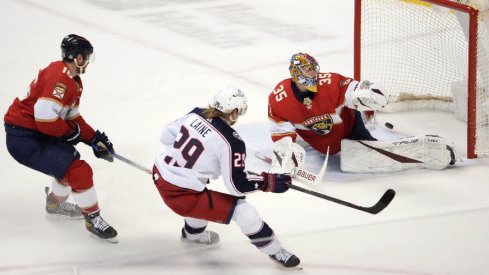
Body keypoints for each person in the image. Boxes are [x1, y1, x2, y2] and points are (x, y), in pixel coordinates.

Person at [152, 86, 300, 268]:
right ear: (234, 112)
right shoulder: (232, 141)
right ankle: (276, 251)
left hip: (159, 173)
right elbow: (237, 186)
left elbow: (166, 136)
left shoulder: (196, 113)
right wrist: (268, 182)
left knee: (202, 200)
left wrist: (195, 161)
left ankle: (192, 235)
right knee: (243, 212)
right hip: (182, 195)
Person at [4, 34, 118, 242]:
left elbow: (71, 117)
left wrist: (93, 138)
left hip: (34, 132)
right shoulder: (62, 79)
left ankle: (55, 204)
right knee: (79, 170)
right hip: (25, 138)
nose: (88, 64)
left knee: (68, 158)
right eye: (87, 58)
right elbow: (45, 118)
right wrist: (70, 132)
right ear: (79, 58)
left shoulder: (71, 79)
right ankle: (93, 219)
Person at [267, 52, 456, 174]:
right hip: (318, 142)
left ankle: (429, 150)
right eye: (307, 71)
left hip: (349, 128)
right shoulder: (279, 98)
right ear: (296, 74)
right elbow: (281, 134)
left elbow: (353, 89)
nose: (313, 74)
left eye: (313, 69)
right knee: (293, 144)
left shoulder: (329, 82)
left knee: (375, 157)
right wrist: (285, 155)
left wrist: (368, 92)